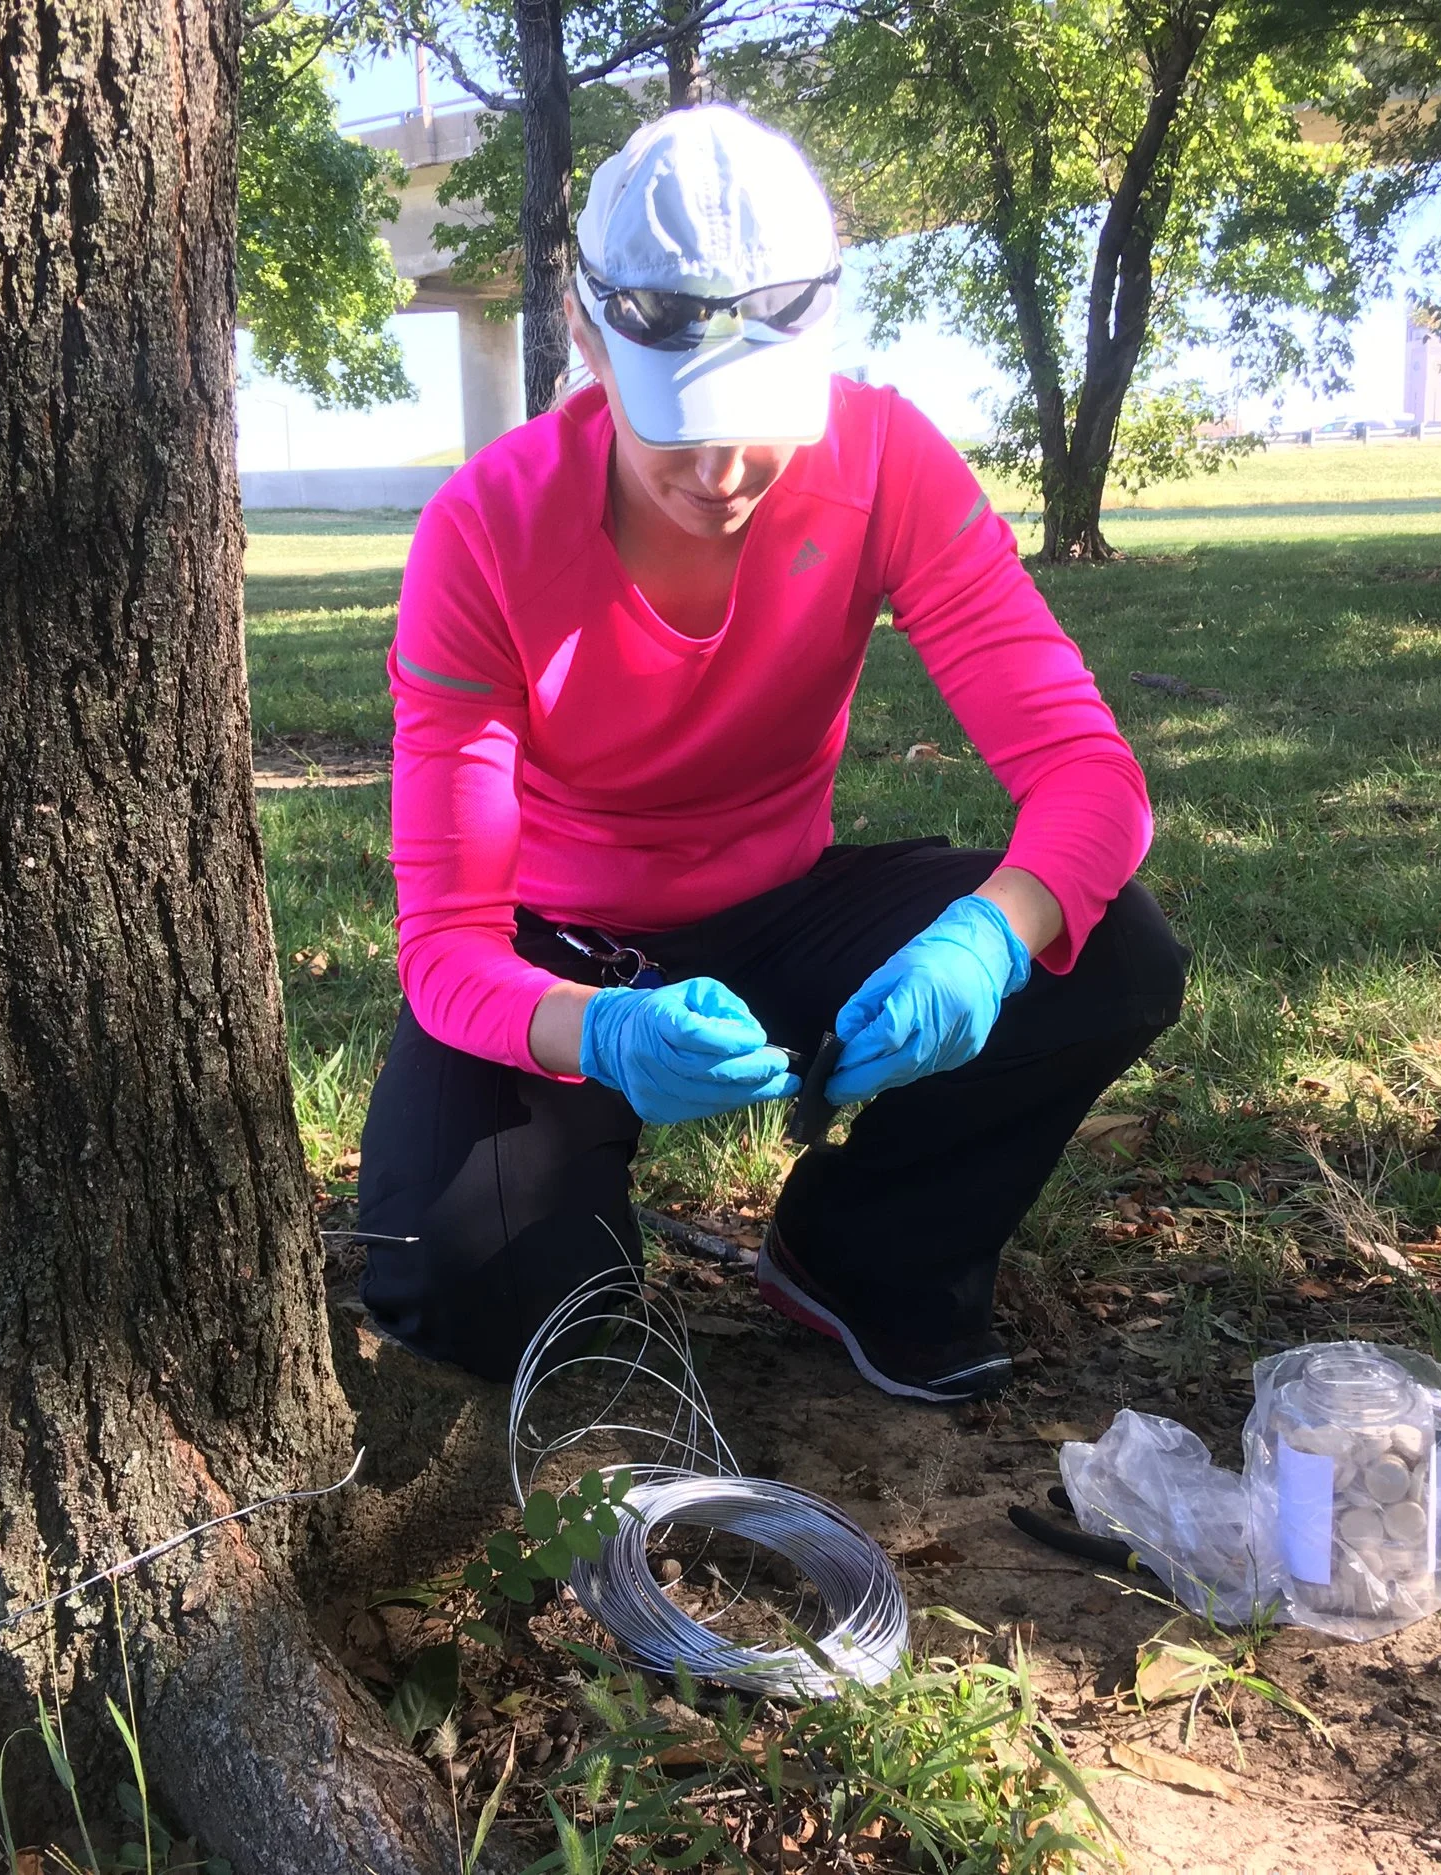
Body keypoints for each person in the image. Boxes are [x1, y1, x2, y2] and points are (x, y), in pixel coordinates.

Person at [354, 105, 1186, 1402]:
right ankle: (566, 1257)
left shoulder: (886, 459)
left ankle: (860, 1255)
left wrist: (990, 936)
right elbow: (446, 950)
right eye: (678, 420)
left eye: (762, 414)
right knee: (463, 1277)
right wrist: (601, 1031)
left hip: (785, 907)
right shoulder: (486, 533)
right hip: (565, 949)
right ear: (586, 338)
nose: (727, 468)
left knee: (1111, 949)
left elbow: (1091, 778)